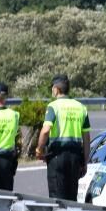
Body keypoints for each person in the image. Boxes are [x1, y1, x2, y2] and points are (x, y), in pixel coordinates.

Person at [35, 75, 90, 203]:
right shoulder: (81, 107)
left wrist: (39, 150)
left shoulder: (53, 106)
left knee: (57, 197)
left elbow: (46, 130)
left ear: (56, 89)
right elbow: (86, 138)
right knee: (71, 197)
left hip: (57, 156)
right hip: (75, 157)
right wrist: (85, 162)